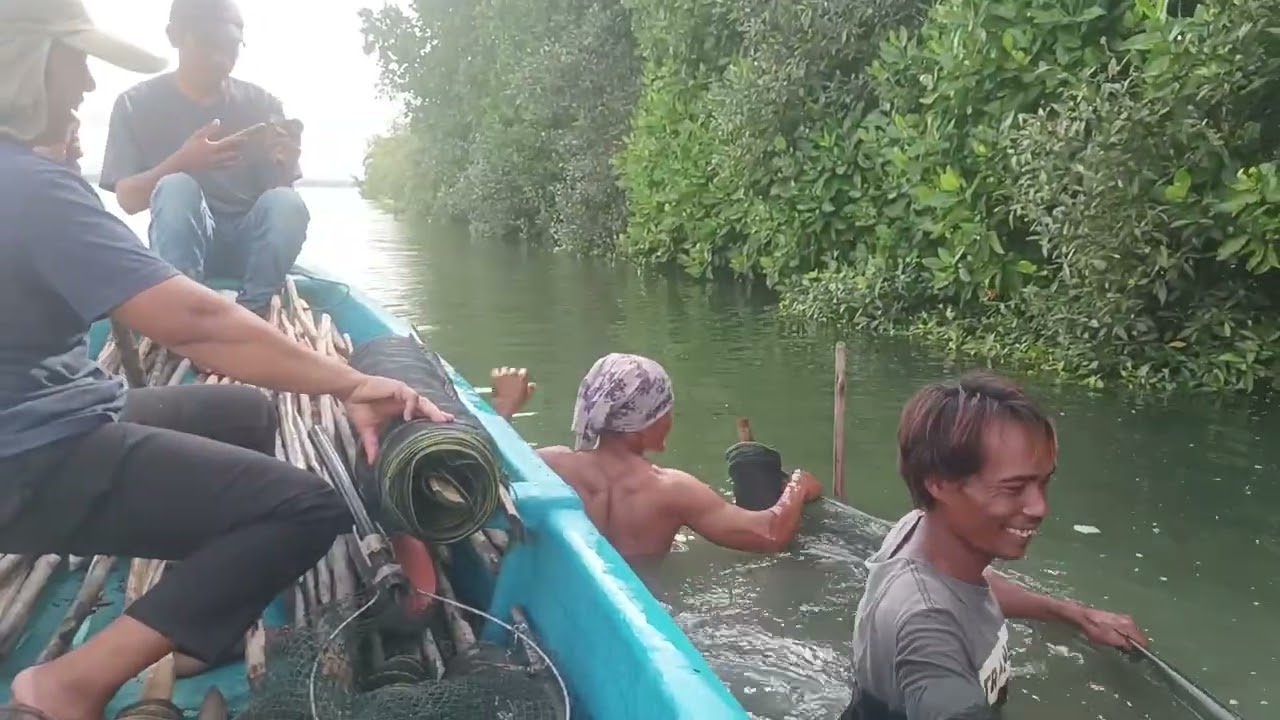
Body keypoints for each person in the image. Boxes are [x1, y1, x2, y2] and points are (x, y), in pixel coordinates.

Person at [0, 2, 454, 717]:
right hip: (27, 456)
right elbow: (197, 323)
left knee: (245, 411)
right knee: (307, 509)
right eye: (74, 59)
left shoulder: (25, 177)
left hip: (52, 411)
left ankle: (191, 612)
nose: (85, 81)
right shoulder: (29, 186)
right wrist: (353, 381)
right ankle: (69, 683)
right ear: (26, 66)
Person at [840, 372, 1147, 720]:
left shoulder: (917, 531)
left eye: (1043, 483)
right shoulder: (927, 632)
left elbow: (972, 588)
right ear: (940, 484)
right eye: (1013, 489)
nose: (1040, 508)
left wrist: (1073, 614)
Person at [488, 356, 824, 563]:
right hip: (645, 606)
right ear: (648, 421)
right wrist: (798, 485)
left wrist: (504, 408)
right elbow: (769, 534)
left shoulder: (551, 465)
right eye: (665, 409)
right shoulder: (672, 490)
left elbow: (482, 470)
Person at [98, 0, 308, 318]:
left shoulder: (264, 105)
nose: (220, 58)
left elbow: (281, 205)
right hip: (181, 247)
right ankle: (184, 312)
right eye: (209, 43)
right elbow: (128, 200)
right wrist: (183, 161)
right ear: (174, 36)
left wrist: (286, 163)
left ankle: (255, 309)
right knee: (176, 186)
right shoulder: (135, 104)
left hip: (249, 244)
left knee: (288, 202)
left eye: (231, 46)